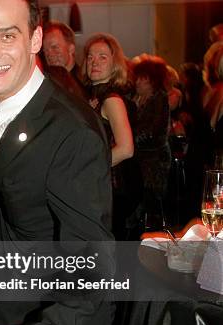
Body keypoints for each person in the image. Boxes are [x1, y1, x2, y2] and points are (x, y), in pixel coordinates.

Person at [0, 0, 114, 325]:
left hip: (65, 314)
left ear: (35, 38)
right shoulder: (1, 106)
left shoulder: (72, 131)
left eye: (7, 35)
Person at [83, 33, 137, 239]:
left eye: (102, 57)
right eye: (90, 56)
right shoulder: (95, 96)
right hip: (104, 187)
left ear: (114, 63)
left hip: (113, 190)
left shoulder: (111, 99)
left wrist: (88, 168)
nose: (94, 62)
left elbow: (126, 149)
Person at [131, 55, 172, 229]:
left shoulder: (159, 99)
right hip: (141, 157)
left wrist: (130, 140)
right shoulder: (138, 99)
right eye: (138, 78)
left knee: (151, 200)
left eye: (143, 79)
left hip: (154, 160)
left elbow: (152, 131)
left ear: (153, 81)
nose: (138, 82)